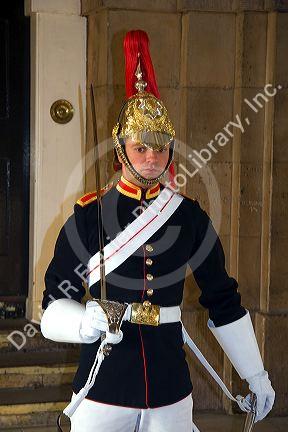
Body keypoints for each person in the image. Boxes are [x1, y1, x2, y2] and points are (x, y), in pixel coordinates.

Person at [40, 30, 275, 432]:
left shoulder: (188, 216)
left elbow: (222, 297)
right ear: (119, 151)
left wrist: (255, 374)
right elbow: (51, 305)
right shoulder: (87, 215)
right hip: (103, 385)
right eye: (140, 148)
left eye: (161, 148)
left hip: (168, 386)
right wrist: (84, 323)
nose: (152, 159)